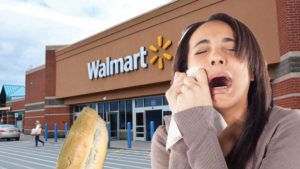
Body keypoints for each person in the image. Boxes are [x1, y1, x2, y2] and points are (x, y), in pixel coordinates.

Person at [151, 13, 300, 169]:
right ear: (185, 73)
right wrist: (183, 128)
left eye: (232, 49)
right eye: (202, 51)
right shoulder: (165, 137)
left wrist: (196, 126)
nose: (216, 57)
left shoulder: (288, 126)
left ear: (252, 71)